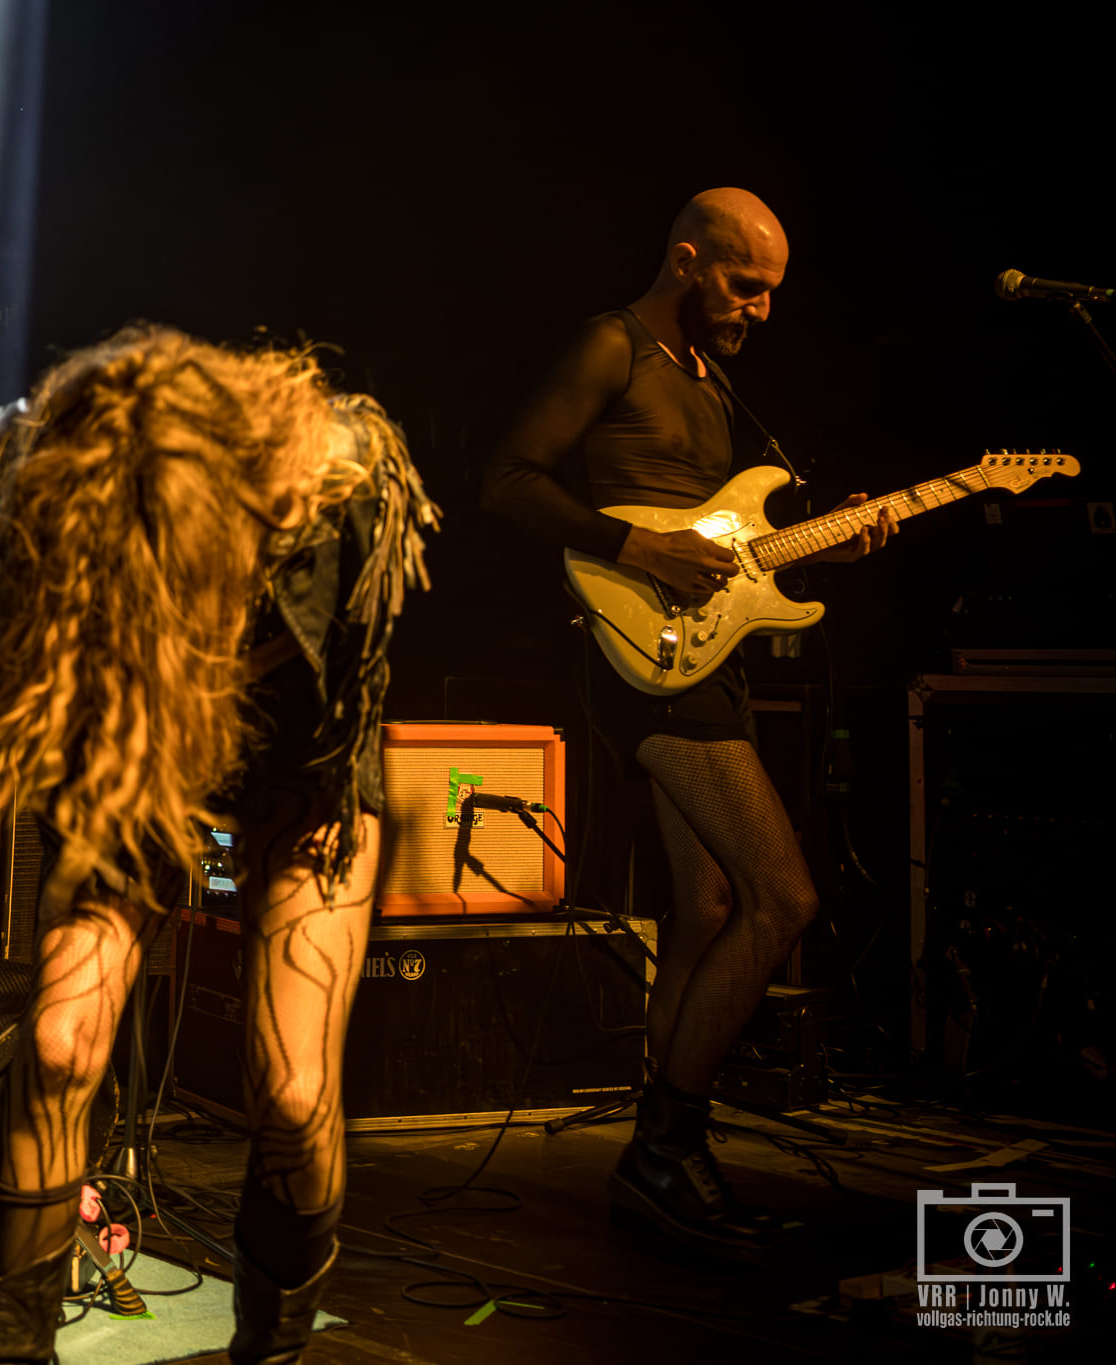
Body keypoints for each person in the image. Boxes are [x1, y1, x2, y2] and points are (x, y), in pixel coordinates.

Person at [0, 326, 435, 1365]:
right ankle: (16, 1350)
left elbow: (341, 704)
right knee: (58, 1045)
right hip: (135, 736)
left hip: (293, 754)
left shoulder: (333, 483)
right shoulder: (13, 462)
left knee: (293, 1091)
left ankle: (270, 1349)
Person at [481, 188, 896, 1258]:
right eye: (746, 286)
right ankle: (665, 1145)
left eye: (771, 293)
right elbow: (507, 481)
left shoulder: (712, 381)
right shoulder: (611, 345)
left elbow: (726, 540)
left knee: (706, 906)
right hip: (641, 656)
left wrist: (831, 541)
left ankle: (657, 1164)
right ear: (686, 261)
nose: (761, 310)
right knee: (783, 896)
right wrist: (635, 548)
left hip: (703, 649)